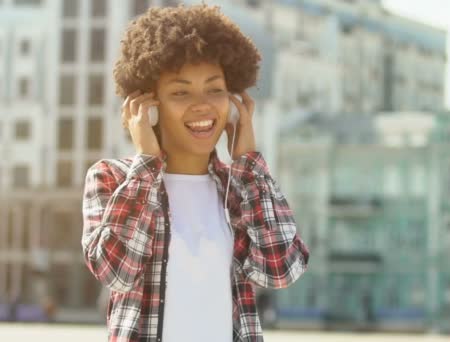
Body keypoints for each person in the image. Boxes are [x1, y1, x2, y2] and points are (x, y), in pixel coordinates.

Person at [81, 4, 310, 341]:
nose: (202, 104)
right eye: (180, 92)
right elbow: (114, 270)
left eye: (215, 89)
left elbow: (280, 269)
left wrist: (247, 162)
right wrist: (146, 161)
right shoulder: (111, 178)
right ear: (148, 104)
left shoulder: (239, 189)